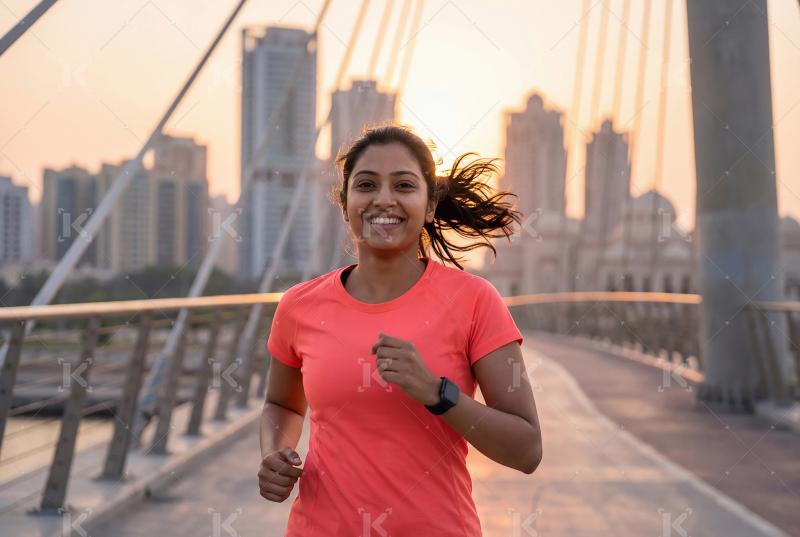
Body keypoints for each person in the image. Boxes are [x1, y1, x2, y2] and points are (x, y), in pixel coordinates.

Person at [258, 125, 543, 536]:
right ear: (345, 204)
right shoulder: (299, 306)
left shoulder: (475, 301)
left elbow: (526, 450)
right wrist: (275, 453)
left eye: (404, 185)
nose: (383, 199)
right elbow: (281, 405)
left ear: (429, 206)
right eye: (366, 185)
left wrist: (437, 393)